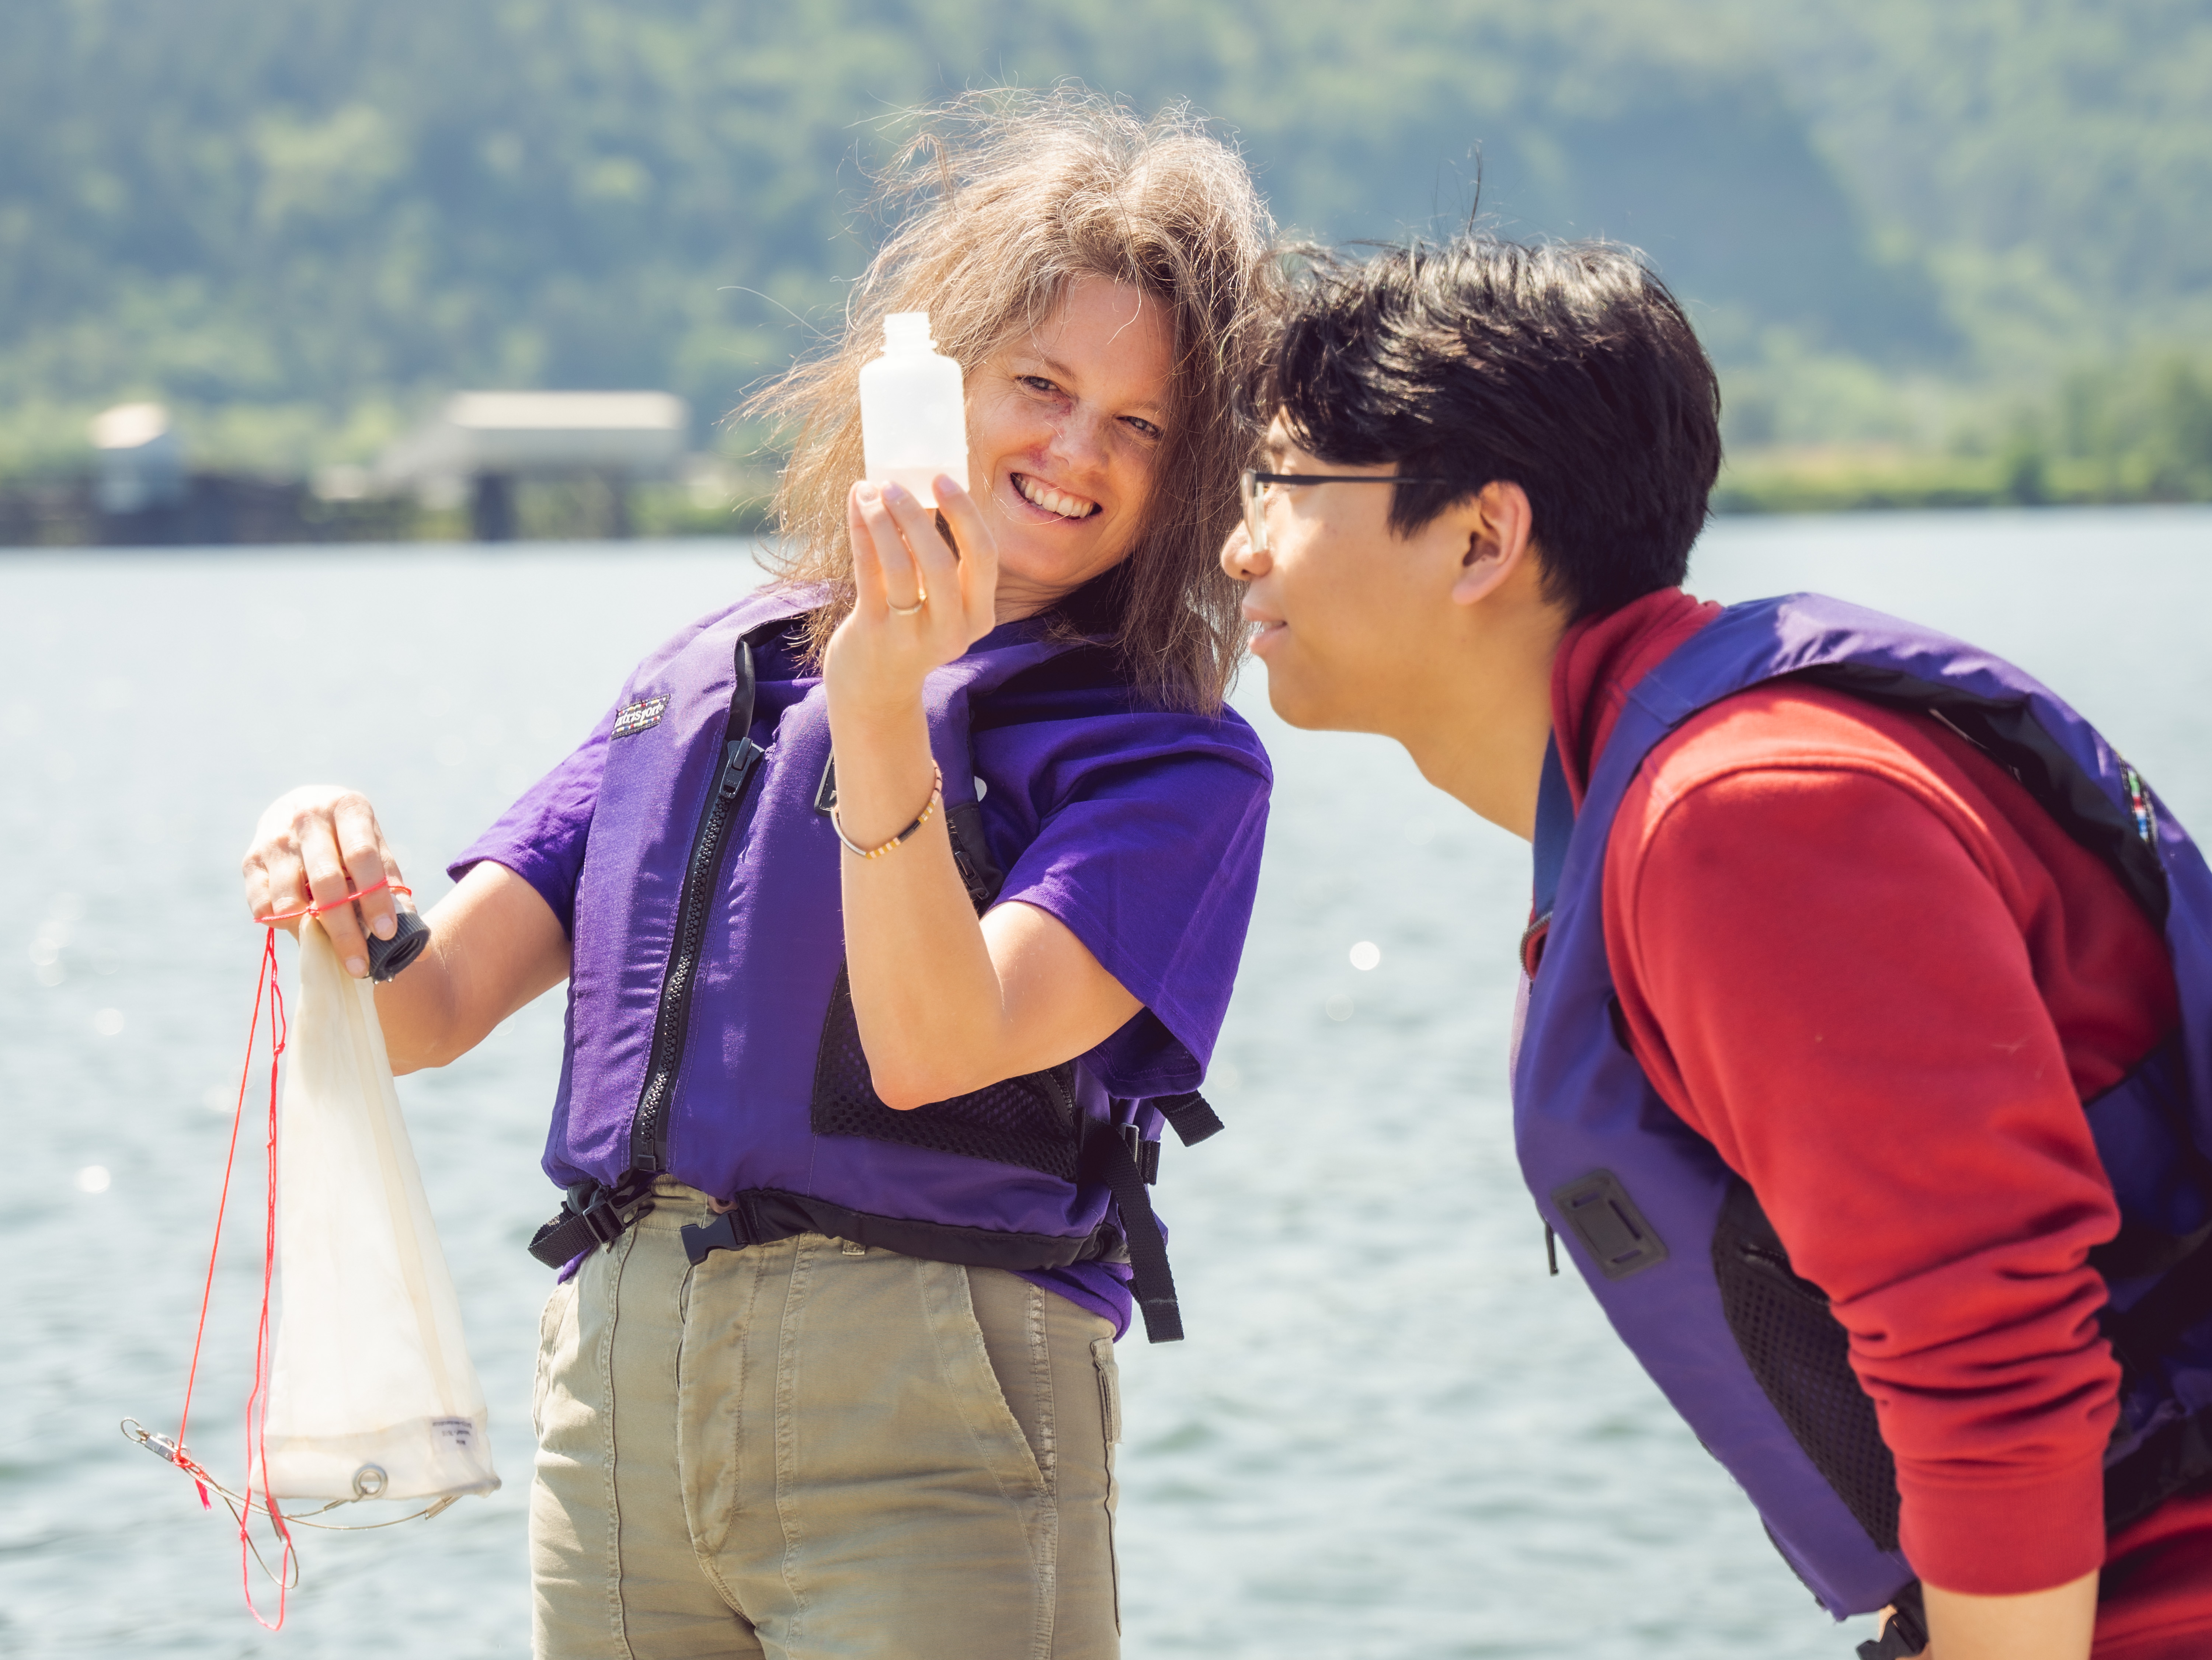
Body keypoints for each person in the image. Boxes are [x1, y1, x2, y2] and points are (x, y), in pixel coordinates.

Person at [239, 92, 1277, 1659]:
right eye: (1042, 385)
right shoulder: (707, 675)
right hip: (618, 1396)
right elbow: (423, 1008)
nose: (1076, 450)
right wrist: (330, 860)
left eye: (1140, 427)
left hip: (935, 1407)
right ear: (930, 392)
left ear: (1189, 479)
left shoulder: (1168, 764)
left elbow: (936, 1044)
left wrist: (882, 710)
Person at [1217, 235, 2212, 1660]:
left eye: (1287, 486)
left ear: (1483, 539)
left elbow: (1994, 1359)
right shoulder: (1677, 787)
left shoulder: (1748, 814)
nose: (1243, 541)